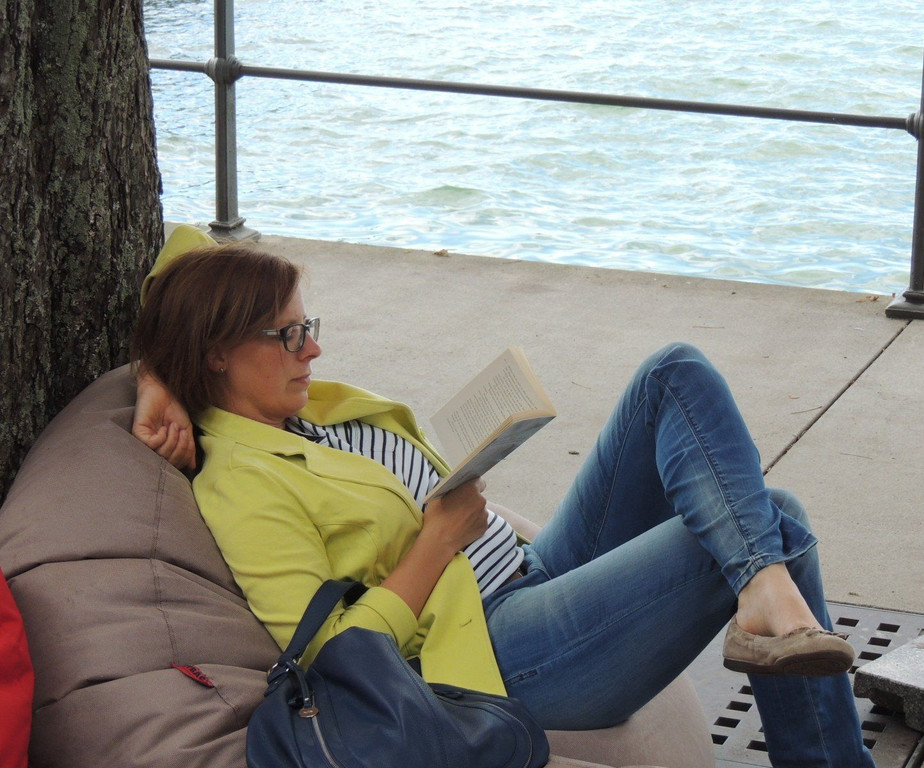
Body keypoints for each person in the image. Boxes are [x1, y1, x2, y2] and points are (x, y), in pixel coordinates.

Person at [131, 236, 876, 767]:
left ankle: (763, 586)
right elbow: (333, 655)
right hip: (491, 650)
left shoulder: (297, 410)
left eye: (310, 328)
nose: (314, 350)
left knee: (672, 373)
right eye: (291, 335)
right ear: (217, 351)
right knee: (774, 519)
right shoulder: (242, 483)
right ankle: (770, 601)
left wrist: (153, 374)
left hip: (529, 569)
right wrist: (437, 541)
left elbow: (182, 251)